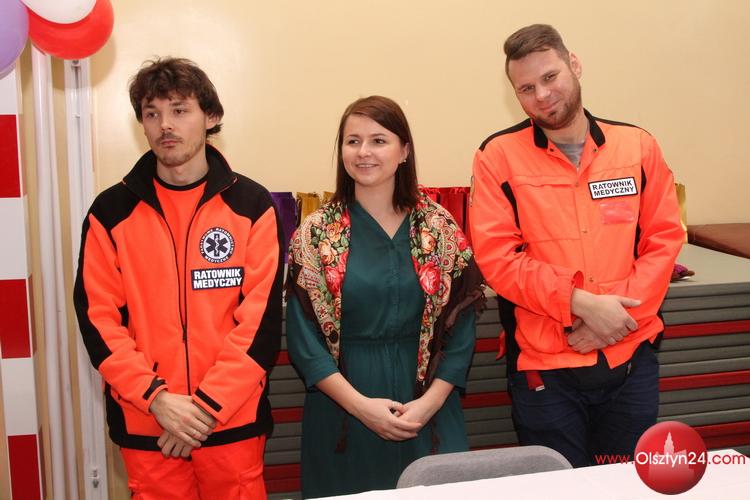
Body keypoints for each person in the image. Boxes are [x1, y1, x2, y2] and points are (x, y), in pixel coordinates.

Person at [469, 24, 684, 467]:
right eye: (526, 88)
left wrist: (615, 321)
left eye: (550, 77)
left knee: (625, 484)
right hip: (546, 372)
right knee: (558, 486)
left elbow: (663, 241)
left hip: (630, 360)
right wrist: (580, 303)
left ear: (575, 65)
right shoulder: (497, 157)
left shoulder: (637, 147)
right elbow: (498, 260)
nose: (542, 95)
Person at [73, 57, 283, 499]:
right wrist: (157, 400)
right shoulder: (110, 213)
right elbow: (99, 321)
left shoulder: (252, 205)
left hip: (231, 422)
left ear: (211, 116)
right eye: (152, 113)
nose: (165, 124)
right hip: (149, 422)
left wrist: (203, 411)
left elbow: (260, 325)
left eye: (179, 110)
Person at [286, 95, 483, 497]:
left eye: (378, 140)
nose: (364, 152)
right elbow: (304, 343)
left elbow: (461, 329)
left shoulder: (439, 228)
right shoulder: (316, 234)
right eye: (352, 141)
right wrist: (361, 407)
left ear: (404, 150)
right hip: (343, 410)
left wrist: (429, 404)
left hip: (428, 406)